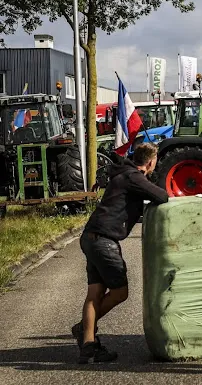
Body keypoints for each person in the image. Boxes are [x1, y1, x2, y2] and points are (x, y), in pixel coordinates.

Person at [73, 143, 168, 363]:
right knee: (120, 292)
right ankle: (84, 328)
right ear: (151, 162)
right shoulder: (133, 177)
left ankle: (88, 345)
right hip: (105, 241)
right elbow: (161, 196)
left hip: (90, 236)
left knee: (95, 294)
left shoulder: (123, 174)